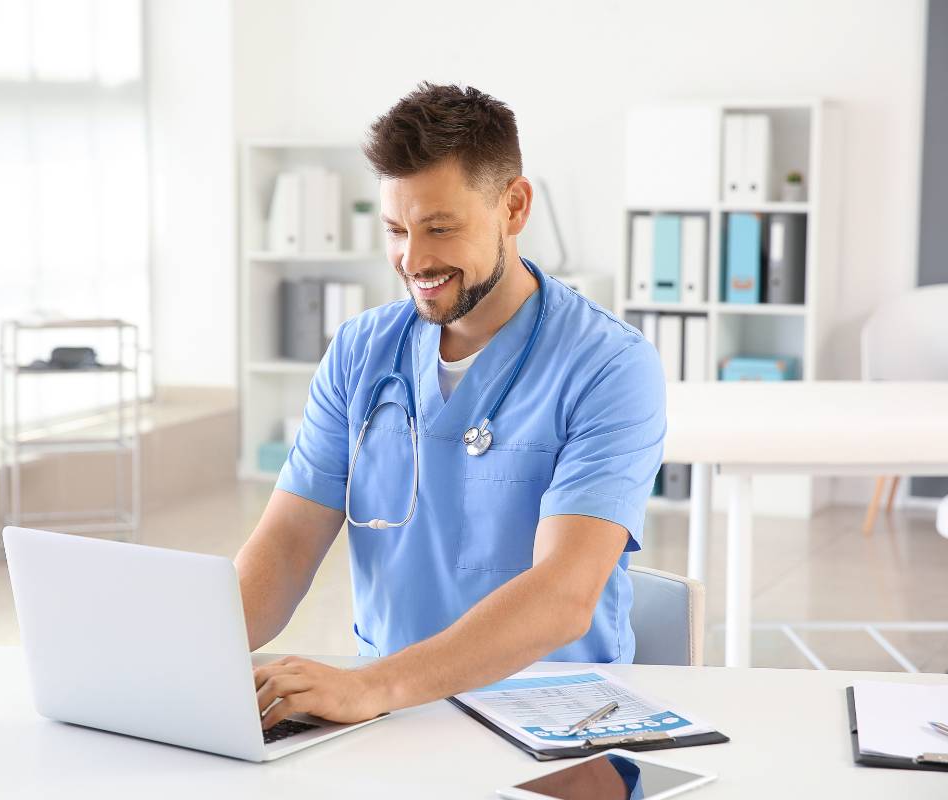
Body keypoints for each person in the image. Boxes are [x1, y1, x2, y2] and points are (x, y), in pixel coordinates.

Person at [236, 83, 666, 730]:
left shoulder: (607, 364)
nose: (413, 259)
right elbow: (288, 545)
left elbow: (565, 596)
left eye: (440, 228)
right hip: (390, 716)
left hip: (558, 716)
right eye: (396, 230)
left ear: (514, 206)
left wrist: (371, 686)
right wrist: (184, 664)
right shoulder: (361, 350)